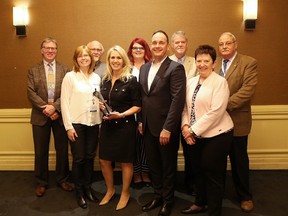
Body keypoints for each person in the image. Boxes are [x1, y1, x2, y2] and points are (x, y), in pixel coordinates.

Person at [180, 45, 234, 216]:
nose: (202, 64)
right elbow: (185, 109)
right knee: (198, 171)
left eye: (206, 61)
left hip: (217, 135)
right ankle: (200, 203)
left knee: (213, 174)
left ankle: (214, 211)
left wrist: (192, 131)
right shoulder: (191, 82)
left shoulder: (220, 82)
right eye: (199, 61)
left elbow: (216, 112)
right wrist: (185, 127)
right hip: (194, 135)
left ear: (214, 62)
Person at [139, 30, 186, 216]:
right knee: (153, 165)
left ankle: (168, 200)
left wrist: (168, 127)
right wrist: (141, 121)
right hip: (148, 126)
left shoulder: (175, 68)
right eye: (154, 42)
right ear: (151, 45)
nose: (157, 45)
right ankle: (157, 195)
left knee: (167, 166)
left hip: (166, 128)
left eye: (161, 42)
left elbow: (177, 100)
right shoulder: (144, 68)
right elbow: (143, 98)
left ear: (168, 46)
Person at [215, 32, 258, 213]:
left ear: (235, 44)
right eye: (221, 44)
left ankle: (245, 197)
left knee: (239, 160)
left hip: (237, 120)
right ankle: (217, 195)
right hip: (215, 123)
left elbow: (248, 90)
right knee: (217, 161)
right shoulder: (214, 63)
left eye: (228, 43)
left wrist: (223, 105)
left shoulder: (248, 62)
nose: (224, 46)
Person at [27, 37, 73, 198]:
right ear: (41, 50)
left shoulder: (65, 69)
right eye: (47, 48)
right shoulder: (33, 70)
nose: (50, 51)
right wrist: (46, 108)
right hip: (40, 116)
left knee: (62, 150)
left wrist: (55, 108)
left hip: (59, 115)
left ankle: (62, 179)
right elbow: (31, 93)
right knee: (40, 151)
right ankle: (41, 182)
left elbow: (68, 93)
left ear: (56, 51)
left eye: (53, 48)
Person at [98, 45, 141, 211]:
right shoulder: (104, 80)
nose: (115, 61)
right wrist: (103, 106)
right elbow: (107, 102)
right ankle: (110, 190)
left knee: (125, 162)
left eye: (118, 58)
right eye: (112, 58)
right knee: (104, 160)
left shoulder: (131, 80)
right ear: (108, 60)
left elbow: (138, 106)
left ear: (124, 60)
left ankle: (125, 192)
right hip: (108, 126)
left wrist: (121, 114)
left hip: (125, 126)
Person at [61, 45, 102, 209]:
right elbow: (64, 102)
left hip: (93, 122)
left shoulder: (96, 78)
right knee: (79, 158)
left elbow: (98, 99)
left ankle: (87, 188)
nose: (84, 58)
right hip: (76, 124)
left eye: (87, 55)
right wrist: (68, 127)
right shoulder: (70, 77)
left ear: (91, 59)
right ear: (76, 59)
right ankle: (79, 192)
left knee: (90, 156)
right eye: (80, 56)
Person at [169, 30, 197, 195]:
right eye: (177, 43)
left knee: (191, 152)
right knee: (170, 153)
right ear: (172, 45)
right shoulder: (165, 62)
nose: (180, 45)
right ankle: (170, 185)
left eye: (183, 42)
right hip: (171, 114)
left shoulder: (196, 62)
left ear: (187, 44)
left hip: (191, 115)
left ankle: (191, 184)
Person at [127, 37, 152, 188]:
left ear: (145, 51)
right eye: (135, 48)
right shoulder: (126, 67)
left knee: (146, 144)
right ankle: (136, 174)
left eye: (140, 48)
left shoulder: (150, 67)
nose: (137, 51)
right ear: (131, 51)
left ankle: (146, 172)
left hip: (147, 111)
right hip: (130, 111)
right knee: (134, 144)